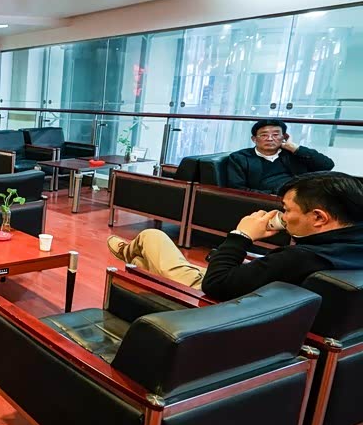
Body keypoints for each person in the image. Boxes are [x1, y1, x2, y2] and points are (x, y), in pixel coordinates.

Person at [107, 171, 363, 301]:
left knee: (152, 236)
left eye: (287, 210)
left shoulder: (300, 258)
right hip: (252, 290)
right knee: (149, 256)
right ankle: (136, 259)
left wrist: (241, 234)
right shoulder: (347, 251)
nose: (283, 216)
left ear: (318, 217)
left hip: (218, 300)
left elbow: (215, 285)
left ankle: (132, 255)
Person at [227, 120, 334, 194]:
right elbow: (237, 189)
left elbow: (327, 165)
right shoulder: (240, 158)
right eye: (264, 135)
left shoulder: (292, 153)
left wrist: (293, 147)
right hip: (267, 200)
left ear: (284, 137)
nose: (270, 139)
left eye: (276, 135)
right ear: (254, 139)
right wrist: (273, 195)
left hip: (302, 195)